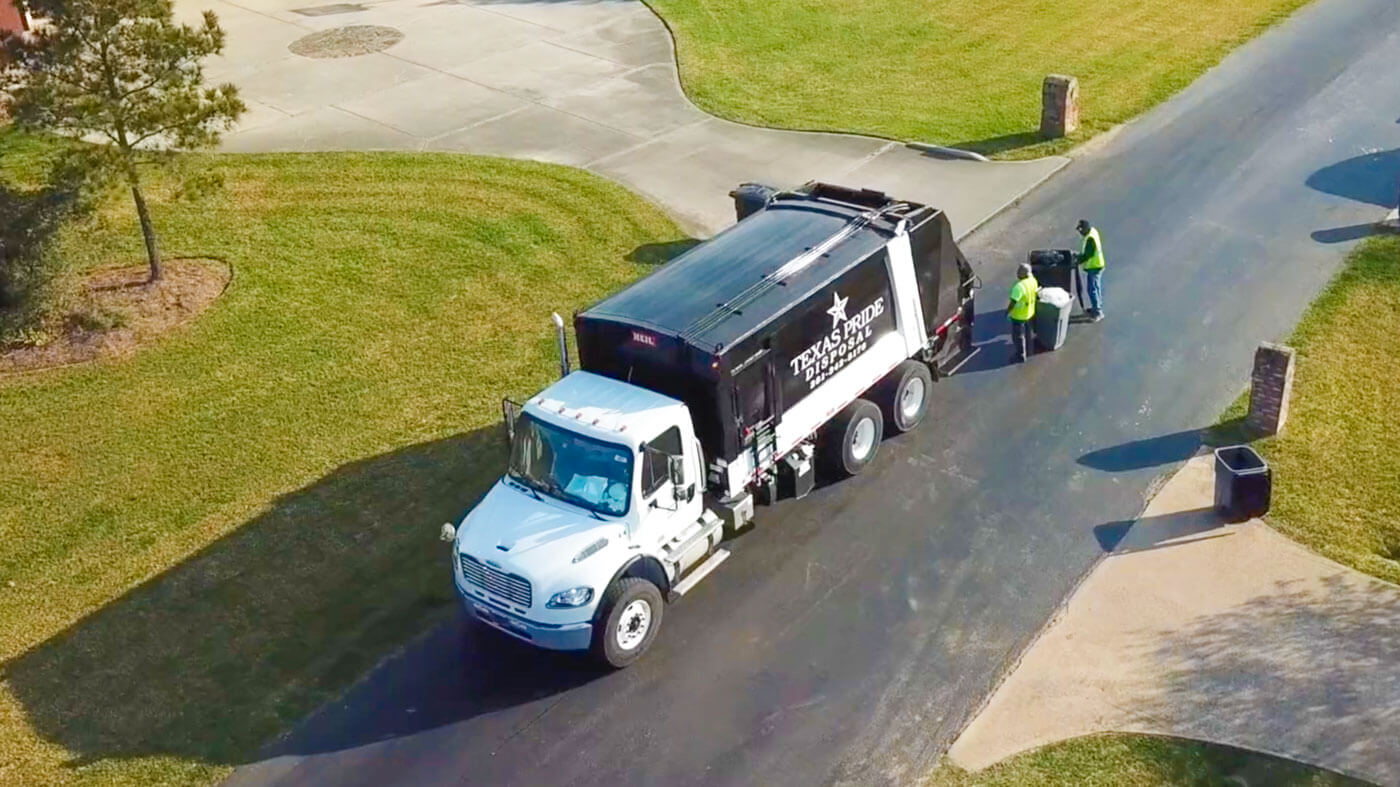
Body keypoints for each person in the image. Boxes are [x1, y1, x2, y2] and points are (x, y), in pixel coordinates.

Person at [1006, 262, 1038, 363]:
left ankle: (1020, 355)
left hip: (1019, 315)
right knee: (1028, 332)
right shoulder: (1033, 281)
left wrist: (1007, 312)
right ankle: (1029, 349)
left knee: (1018, 336)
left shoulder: (1019, 287)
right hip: (1030, 312)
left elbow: (1013, 302)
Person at [1076, 219, 1106, 321]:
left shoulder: (1090, 239)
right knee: (1096, 287)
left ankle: (1098, 312)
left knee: (1092, 289)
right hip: (1098, 265)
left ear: (1084, 229)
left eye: (1080, 230)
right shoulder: (1092, 231)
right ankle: (1096, 307)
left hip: (1095, 266)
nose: (1080, 233)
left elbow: (1088, 255)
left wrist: (1077, 261)